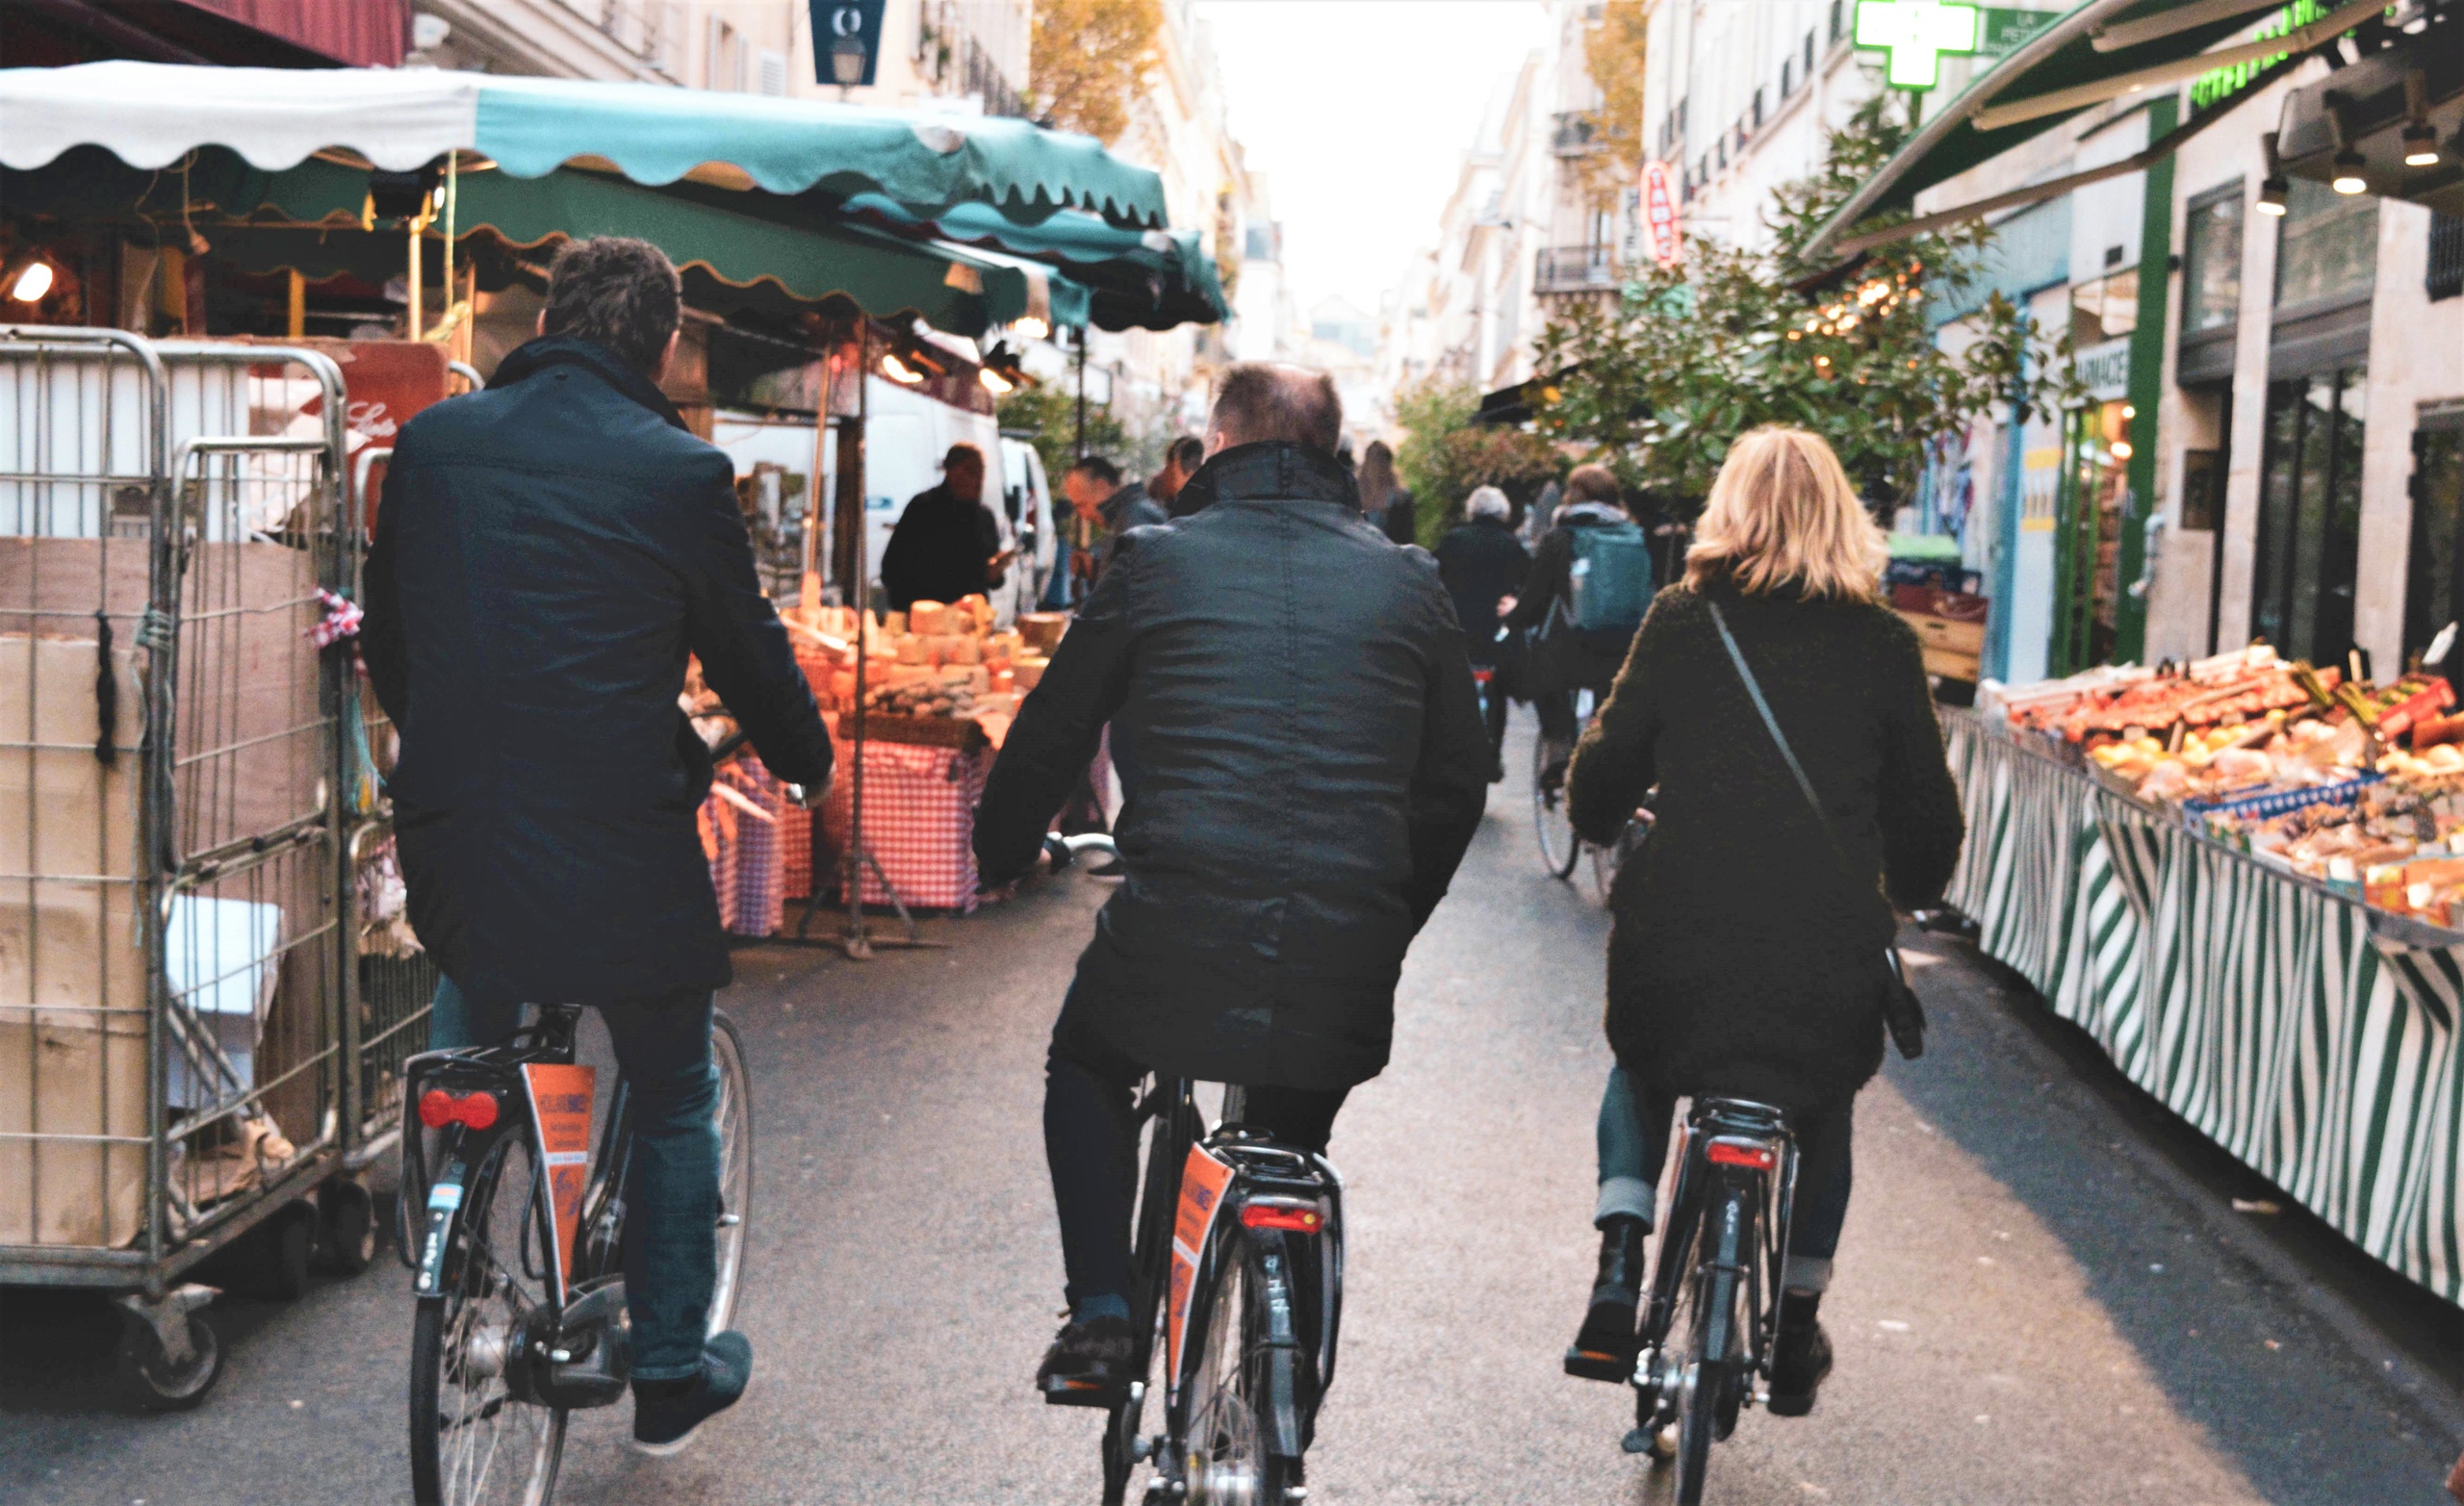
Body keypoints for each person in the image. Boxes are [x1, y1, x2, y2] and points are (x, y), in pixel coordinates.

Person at [360, 237, 834, 1454]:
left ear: (552, 315)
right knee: (673, 1091)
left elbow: (390, 639)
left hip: (460, 829)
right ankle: (669, 1369)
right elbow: (745, 650)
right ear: (663, 344)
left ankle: (449, 1235)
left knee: (472, 1019)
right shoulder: (679, 472)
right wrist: (808, 756)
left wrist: (456, 747)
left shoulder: (438, 442)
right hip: (620, 844)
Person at [972, 362, 1491, 1406]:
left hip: (1174, 925)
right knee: (1292, 1133)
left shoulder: (1156, 564)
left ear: (1215, 448)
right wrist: (1389, 913)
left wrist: (1000, 849)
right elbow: (1456, 783)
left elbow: (1053, 732)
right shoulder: (1409, 580)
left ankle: (1103, 1314)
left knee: (1087, 1059)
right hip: (1343, 949)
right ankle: (1283, 1381)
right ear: (1334, 458)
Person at [1557, 426, 1964, 1416]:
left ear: (1726, 508)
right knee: (1822, 1100)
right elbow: (1925, 815)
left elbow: (1603, 771)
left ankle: (1619, 1261)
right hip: (1823, 943)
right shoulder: (1881, 644)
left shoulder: (1683, 618)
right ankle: (1794, 1315)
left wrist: (1598, 815)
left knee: (1644, 1059)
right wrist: (1909, 885)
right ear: (1842, 516)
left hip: (1683, 929)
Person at [1503, 464, 1655, 786]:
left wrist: (1511, 615)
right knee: (1609, 710)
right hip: (1622, 649)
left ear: (1572, 497)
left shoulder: (1560, 538)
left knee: (1540, 670)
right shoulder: (1635, 537)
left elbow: (1533, 604)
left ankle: (1558, 747)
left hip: (1570, 656)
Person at [1434, 485, 1528, 780]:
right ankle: (1493, 755)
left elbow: (1433, 578)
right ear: (1503, 512)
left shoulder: (1453, 541)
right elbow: (1529, 585)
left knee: (1449, 691)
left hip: (1457, 630)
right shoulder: (1511, 545)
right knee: (1497, 692)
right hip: (1495, 632)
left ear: (1471, 510)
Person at [880, 443, 1011, 611]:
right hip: (927, 616)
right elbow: (892, 568)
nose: (978, 479)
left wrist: (994, 574)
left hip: (969, 619)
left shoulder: (984, 517)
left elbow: (992, 578)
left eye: (981, 472)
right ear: (951, 471)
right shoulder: (923, 509)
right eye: (971, 471)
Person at [1154, 434, 1208, 518]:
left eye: (1199, 465)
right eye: (1195, 464)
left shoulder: (1199, 492)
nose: (1196, 471)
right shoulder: (1157, 488)